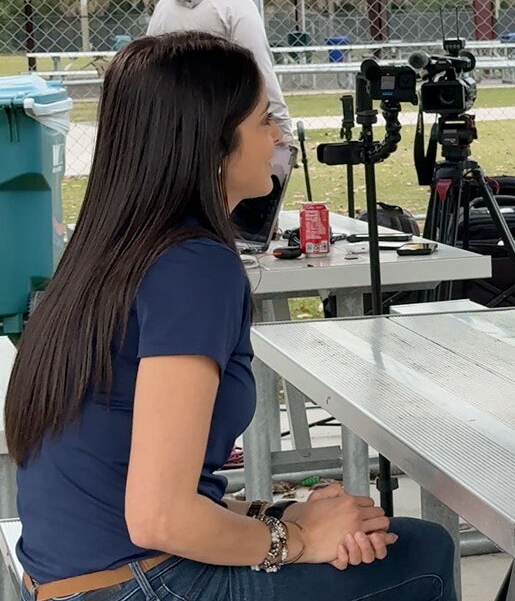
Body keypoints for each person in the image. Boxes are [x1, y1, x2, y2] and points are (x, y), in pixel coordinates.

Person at [5, 32, 456, 601]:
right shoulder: (194, 266)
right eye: (266, 120)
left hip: (64, 580)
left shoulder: (105, 253)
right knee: (423, 553)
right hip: (134, 584)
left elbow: (125, 483)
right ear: (214, 142)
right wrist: (293, 542)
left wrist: (282, 513)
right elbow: (159, 518)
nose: (279, 136)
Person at [147, 0, 293, 146]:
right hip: (220, 125)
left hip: (169, 124)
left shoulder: (165, 3)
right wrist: (283, 130)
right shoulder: (235, 4)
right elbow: (261, 72)